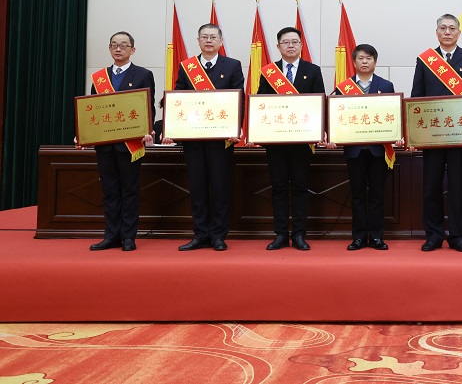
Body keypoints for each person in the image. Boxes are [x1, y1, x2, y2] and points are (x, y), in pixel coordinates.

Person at [410, 13, 462, 252]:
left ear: (459, 33)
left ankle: (457, 236)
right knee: (431, 186)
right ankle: (433, 235)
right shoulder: (425, 60)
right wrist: (413, 132)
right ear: (437, 33)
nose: (447, 32)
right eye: (443, 28)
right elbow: (417, 96)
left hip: (460, 136)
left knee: (457, 187)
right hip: (431, 137)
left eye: (452, 28)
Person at [171, 24, 244, 252]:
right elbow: (178, 98)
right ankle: (200, 234)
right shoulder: (187, 67)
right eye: (204, 37)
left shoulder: (232, 66)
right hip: (193, 139)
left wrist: (236, 128)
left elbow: (239, 99)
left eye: (213, 37)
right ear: (198, 41)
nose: (209, 40)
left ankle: (219, 235)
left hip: (221, 139)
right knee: (198, 187)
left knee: (220, 187)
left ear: (221, 41)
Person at [256, 26, 325, 251]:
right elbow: (261, 104)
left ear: (301, 45)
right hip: (275, 141)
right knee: (278, 187)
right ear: (278, 47)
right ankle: (280, 234)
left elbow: (320, 102)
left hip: (302, 141)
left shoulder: (312, 71)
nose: (291, 45)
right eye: (286, 42)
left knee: (300, 186)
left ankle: (299, 234)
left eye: (295, 42)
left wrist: (320, 130)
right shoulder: (269, 72)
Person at [87, 31, 156, 252]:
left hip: (130, 144)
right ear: (109, 49)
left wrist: (147, 130)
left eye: (124, 45)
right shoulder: (100, 78)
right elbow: (93, 110)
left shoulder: (143, 74)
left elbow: (148, 107)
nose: (118, 49)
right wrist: (84, 132)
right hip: (105, 145)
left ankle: (128, 236)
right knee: (109, 191)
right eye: (114, 45)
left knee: (129, 191)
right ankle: (111, 235)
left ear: (132, 50)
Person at [330, 44, 401, 251]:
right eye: (360, 58)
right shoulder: (343, 88)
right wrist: (332, 135)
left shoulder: (386, 85)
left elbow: (393, 113)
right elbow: (337, 116)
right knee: (358, 194)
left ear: (375, 62)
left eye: (369, 58)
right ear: (354, 62)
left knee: (378, 194)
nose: (364, 61)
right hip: (354, 150)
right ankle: (359, 237)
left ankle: (377, 236)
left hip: (378, 149)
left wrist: (397, 134)